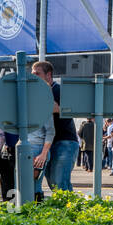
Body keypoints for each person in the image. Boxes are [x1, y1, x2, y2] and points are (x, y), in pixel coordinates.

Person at [31, 61, 79, 193]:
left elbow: (73, 110)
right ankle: (69, 208)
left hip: (65, 142)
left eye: (37, 74)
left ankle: (68, 210)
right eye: (32, 74)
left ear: (48, 75)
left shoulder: (58, 90)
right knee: (53, 183)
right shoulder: (40, 93)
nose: (33, 76)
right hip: (48, 143)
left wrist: (56, 108)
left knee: (59, 183)